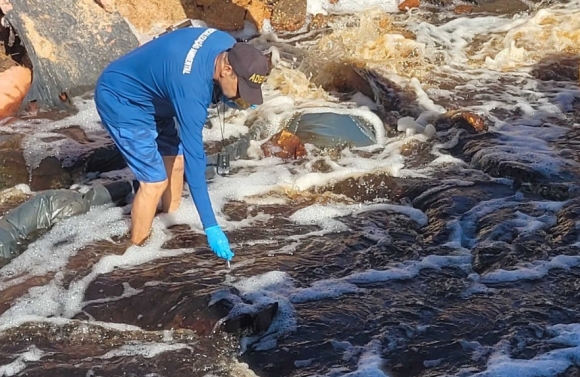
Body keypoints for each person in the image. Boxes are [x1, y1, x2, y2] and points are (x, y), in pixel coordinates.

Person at [94, 27, 269, 262]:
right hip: (121, 99)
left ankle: (172, 223)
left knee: (175, 163)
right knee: (154, 181)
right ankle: (135, 255)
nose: (242, 96)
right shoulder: (191, 90)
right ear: (226, 70)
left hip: (159, 94)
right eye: (242, 89)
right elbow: (195, 162)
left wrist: (240, 99)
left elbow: (213, 85)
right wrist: (211, 227)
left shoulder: (228, 44)